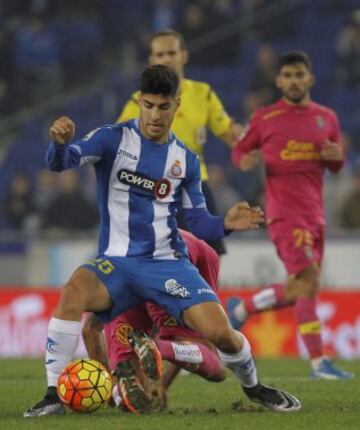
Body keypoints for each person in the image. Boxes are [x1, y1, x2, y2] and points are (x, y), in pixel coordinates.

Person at [24, 64, 301, 418]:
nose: (155, 115)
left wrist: (226, 224)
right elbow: (63, 163)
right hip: (118, 263)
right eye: (149, 105)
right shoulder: (112, 139)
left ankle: (256, 388)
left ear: (177, 105)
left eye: (163, 106)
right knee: (72, 292)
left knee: (221, 334)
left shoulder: (184, 159)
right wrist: (59, 144)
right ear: (140, 102)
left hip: (167, 261)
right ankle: (52, 395)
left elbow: (199, 221)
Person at [228, 51, 354, 380]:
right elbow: (240, 148)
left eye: (300, 74)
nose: (294, 80)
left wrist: (337, 156)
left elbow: (337, 163)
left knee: (303, 287)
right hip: (284, 213)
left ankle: (243, 309)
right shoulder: (265, 118)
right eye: (288, 75)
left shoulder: (327, 118)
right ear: (279, 80)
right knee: (308, 281)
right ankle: (318, 362)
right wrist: (244, 160)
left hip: (316, 214)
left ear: (309, 79)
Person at [117, 29, 242, 255]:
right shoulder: (139, 101)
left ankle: (206, 291)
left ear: (183, 55)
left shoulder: (202, 93)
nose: (167, 59)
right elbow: (118, 143)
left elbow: (229, 133)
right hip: (156, 191)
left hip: (196, 186)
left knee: (209, 256)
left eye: (171, 52)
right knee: (160, 260)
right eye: (160, 54)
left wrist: (244, 142)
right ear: (152, 60)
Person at [82, 229, 226, 414]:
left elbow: (89, 328)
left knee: (214, 366)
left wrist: (108, 388)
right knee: (210, 365)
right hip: (156, 265)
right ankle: (146, 360)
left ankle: (142, 363)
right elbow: (89, 329)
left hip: (181, 262)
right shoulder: (115, 260)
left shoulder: (105, 272)